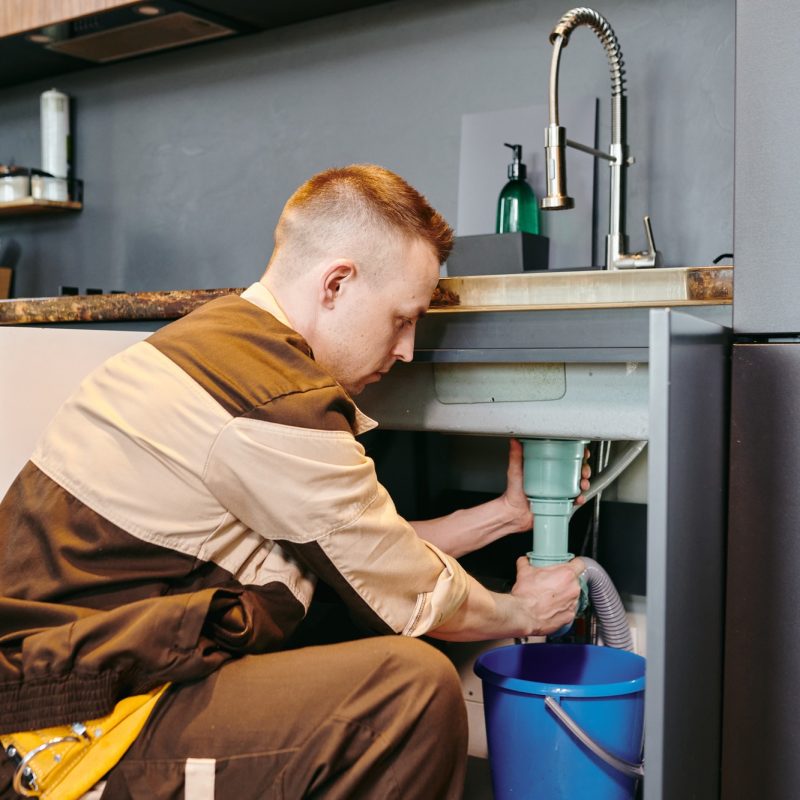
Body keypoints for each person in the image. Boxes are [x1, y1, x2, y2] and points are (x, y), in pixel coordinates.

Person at [0, 165, 587, 800]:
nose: (409, 349)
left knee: (346, 622)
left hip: (85, 669)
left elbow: (354, 547)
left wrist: (503, 515)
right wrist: (525, 612)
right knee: (409, 690)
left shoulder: (227, 345)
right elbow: (412, 592)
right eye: (402, 319)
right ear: (336, 283)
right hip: (59, 721)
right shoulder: (269, 396)